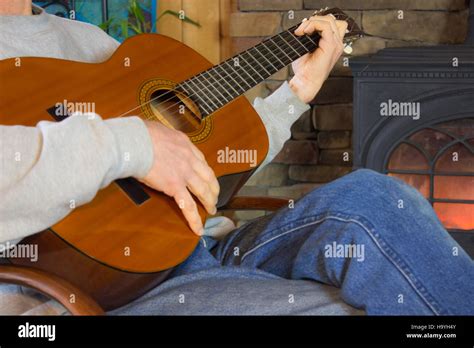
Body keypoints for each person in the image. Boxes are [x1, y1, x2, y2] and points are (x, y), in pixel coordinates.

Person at [0, 2, 472, 316]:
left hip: (195, 249)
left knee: (378, 199)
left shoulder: (83, 37)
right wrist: (132, 145)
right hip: (92, 288)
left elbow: (202, 158)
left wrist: (294, 95)